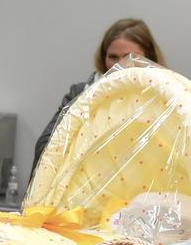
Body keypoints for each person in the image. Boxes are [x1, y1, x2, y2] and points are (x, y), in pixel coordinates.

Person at [31, 17, 166, 176]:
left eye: (129, 56)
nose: (120, 65)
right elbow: (44, 146)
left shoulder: (163, 97)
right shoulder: (81, 93)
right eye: (113, 57)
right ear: (103, 58)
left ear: (147, 57)